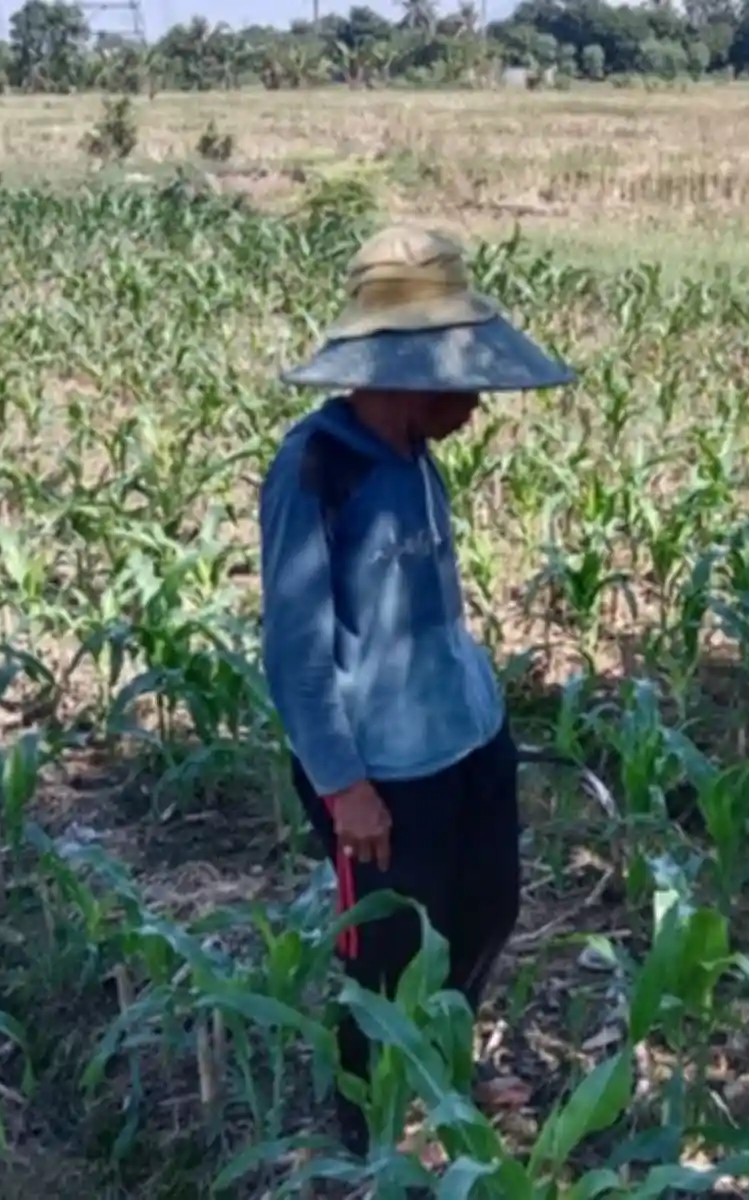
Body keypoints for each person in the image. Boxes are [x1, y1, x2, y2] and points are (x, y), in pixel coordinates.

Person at [257, 224, 575, 1161]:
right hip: (383, 770)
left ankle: (444, 1066)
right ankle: (370, 1128)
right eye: (463, 378)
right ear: (409, 370)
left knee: (486, 910)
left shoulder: (415, 455)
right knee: (389, 947)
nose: (477, 399)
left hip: (468, 734)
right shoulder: (318, 468)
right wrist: (342, 785)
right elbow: (295, 649)